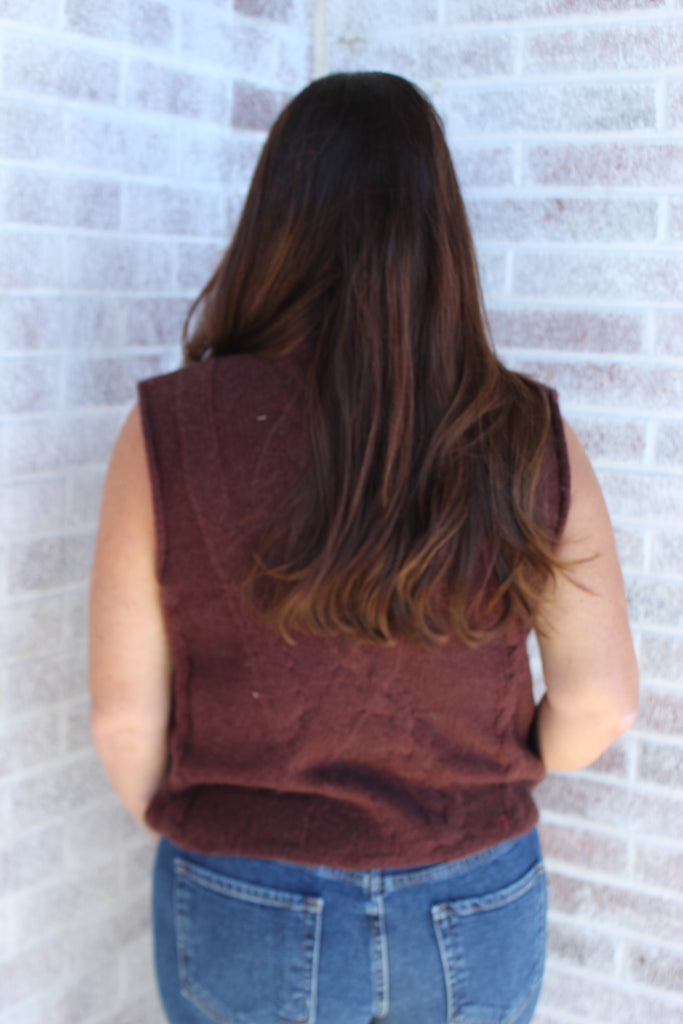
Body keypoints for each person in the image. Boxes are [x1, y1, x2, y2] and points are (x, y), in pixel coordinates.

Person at [88, 72, 639, 1024]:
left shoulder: (167, 432)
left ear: (275, 223)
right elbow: (603, 701)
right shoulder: (523, 430)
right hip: (473, 894)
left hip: (242, 890)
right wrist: (485, 779)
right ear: (438, 234)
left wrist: (204, 832)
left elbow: (121, 718)